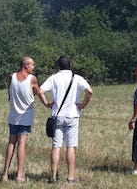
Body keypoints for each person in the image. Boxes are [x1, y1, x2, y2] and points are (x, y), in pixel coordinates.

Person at [40, 55, 93, 184]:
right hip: (72, 115)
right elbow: (89, 91)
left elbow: (40, 91)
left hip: (57, 116)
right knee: (70, 146)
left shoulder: (53, 78)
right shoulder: (77, 78)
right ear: (70, 65)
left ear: (59, 65)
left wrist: (47, 104)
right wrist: (82, 105)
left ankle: (53, 177)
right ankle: (70, 176)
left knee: (56, 146)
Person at [3, 56, 51, 182]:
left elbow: (10, 92)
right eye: (32, 65)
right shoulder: (32, 79)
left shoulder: (11, 77)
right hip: (26, 115)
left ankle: (5, 174)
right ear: (26, 66)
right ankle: (19, 175)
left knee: (11, 142)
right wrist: (47, 104)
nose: (33, 67)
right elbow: (37, 92)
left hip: (13, 114)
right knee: (22, 143)